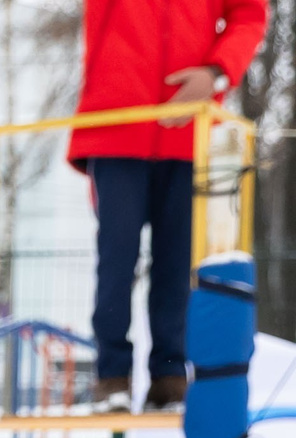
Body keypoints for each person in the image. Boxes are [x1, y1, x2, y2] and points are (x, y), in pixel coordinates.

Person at [71, 0, 268, 409]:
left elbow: (248, 13)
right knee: (116, 257)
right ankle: (112, 377)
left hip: (188, 130)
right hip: (117, 125)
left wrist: (215, 74)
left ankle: (169, 376)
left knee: (177, 264)